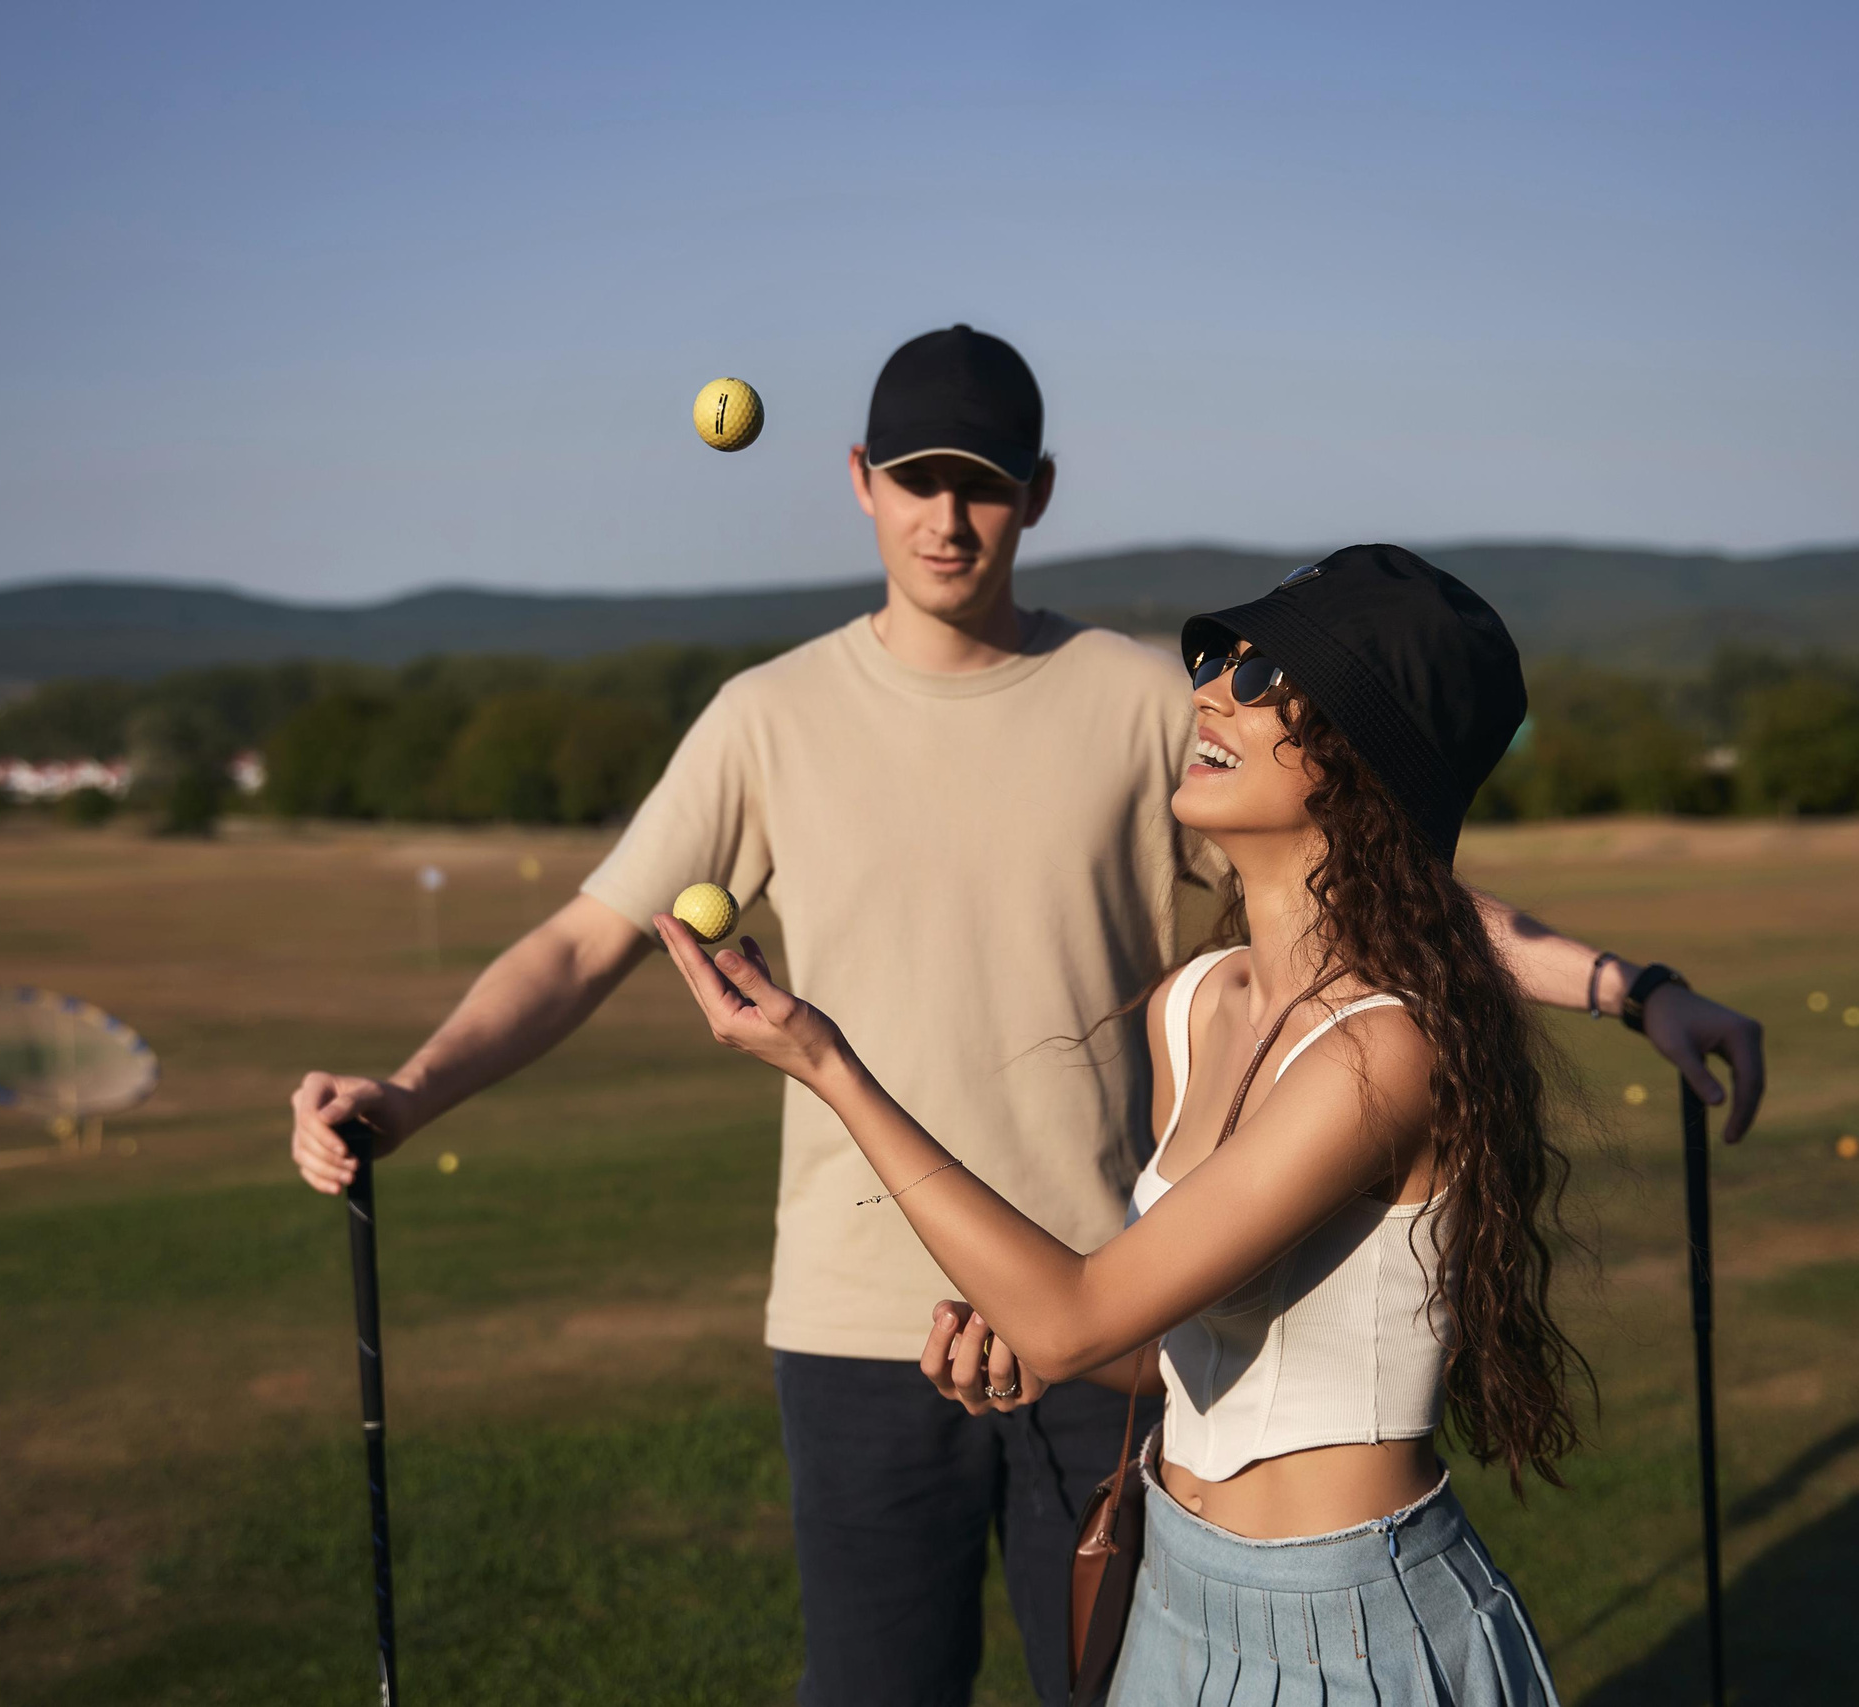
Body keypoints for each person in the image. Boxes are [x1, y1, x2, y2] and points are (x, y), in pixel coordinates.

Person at [289, 327, 1765, 1707]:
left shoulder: (1147, 707)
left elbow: (1400, 897)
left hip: (1121, 1300)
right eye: (916, 479)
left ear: (1036, 494)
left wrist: (1629, 987)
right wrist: (407, 1092)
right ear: (861, 482)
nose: (947, 517)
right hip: (877, 1324)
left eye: (982, 486)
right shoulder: (768, 717)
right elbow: (580, 943)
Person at [658, 546, 1594, 1702]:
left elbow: (1075, 1317)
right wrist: (1022, 1338)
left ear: (1370, 763)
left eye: (1262, 678)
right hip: (1173, 1599)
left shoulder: (1380, 1052)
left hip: (1350, 1626)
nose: (1207, 693)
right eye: (1215, 660)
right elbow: (1159, 1347)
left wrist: (825, 1064)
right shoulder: (1194, 1007)